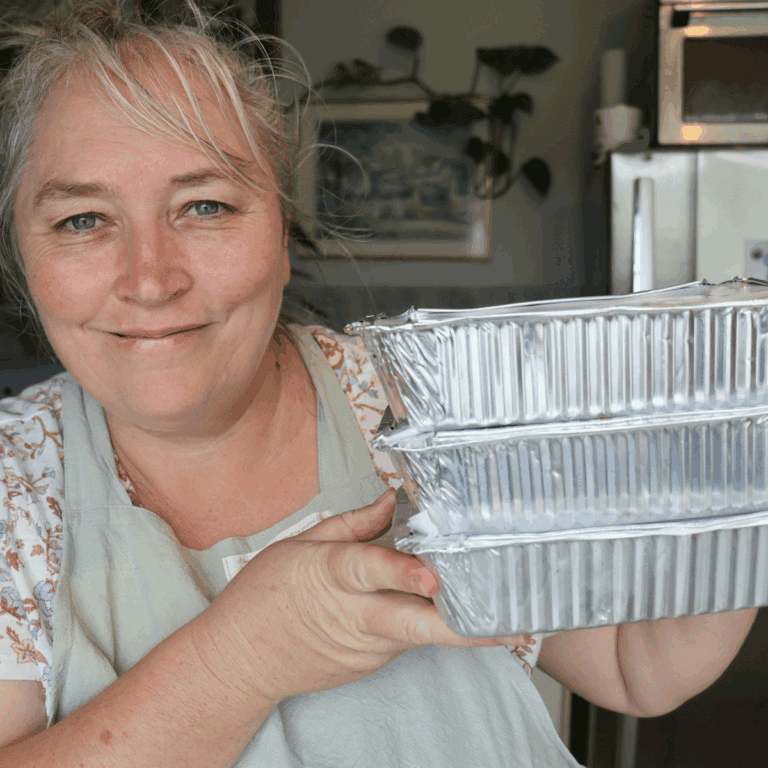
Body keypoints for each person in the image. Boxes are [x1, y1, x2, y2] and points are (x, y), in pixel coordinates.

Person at [0, 2, 757, 765]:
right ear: (25, 255)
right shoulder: (14, 488)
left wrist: (748, 467)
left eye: (205, 206)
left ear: (282, 230)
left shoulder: (418, 402)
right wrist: (241, 657)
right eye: (82, 221)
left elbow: (639, 662)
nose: (150, 279)